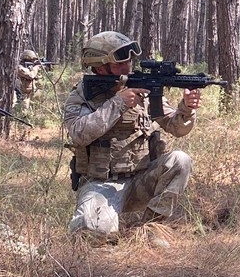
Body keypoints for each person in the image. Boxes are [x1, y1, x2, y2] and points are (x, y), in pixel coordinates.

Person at [63, 31, 202, 246]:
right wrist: (117, 104)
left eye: (129, 61)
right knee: (91, 234)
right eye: (120, 64)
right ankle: (107, 222)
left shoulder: (142, 89)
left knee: (180, 160)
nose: (128, 66)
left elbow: (176, 127)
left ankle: (152, 228)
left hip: (141, 180)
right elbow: (78, 133)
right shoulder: (82, 96)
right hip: (102, 183)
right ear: (101, 67)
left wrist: (187, 109)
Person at [15, 49, 43, 113]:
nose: (33, 62)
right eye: (32, 60)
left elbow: (36, 78)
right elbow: (31, 75)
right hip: (22, 93)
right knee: (22, 110)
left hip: (30, 93)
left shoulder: (30, 68)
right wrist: (36, 68)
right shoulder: (20, 67)